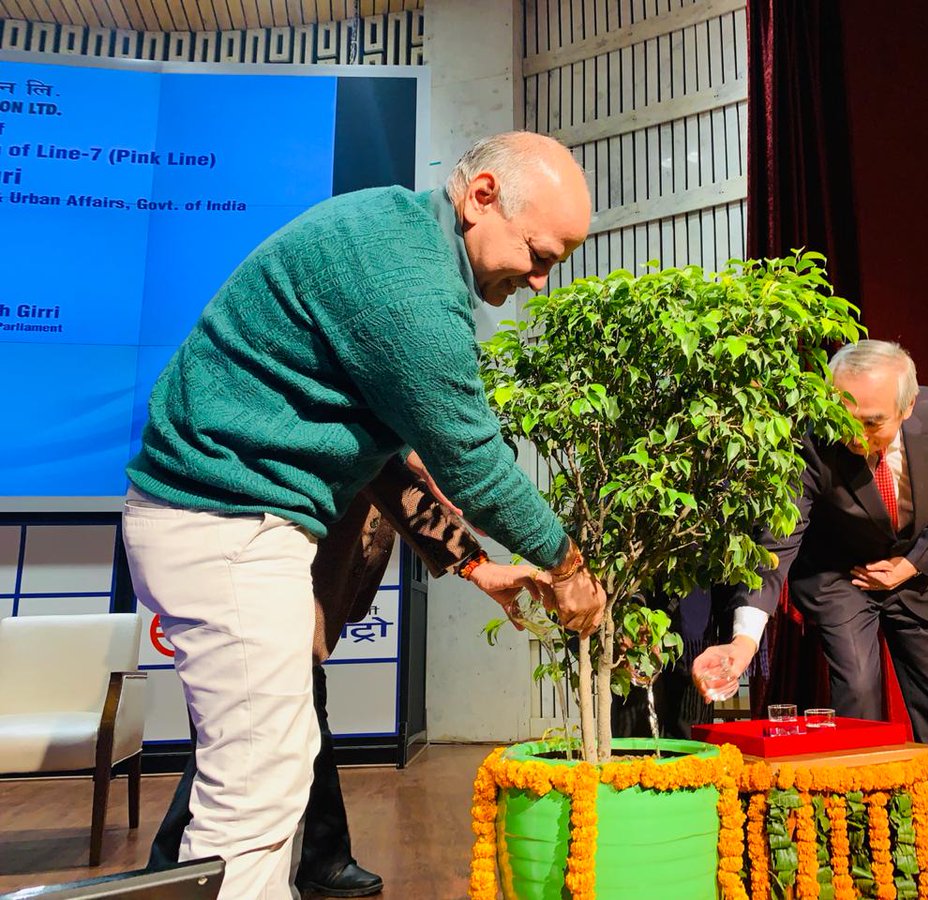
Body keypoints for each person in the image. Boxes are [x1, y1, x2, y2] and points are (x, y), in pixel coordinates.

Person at [122, 131, 606, 898]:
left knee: (269, 774)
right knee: (254, 791)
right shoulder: (410, 287)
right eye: (540, 255)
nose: (543, 281)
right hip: (229, 524)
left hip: (227, 521)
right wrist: (567, 563)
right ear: (482, 197)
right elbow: (472, 463)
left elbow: (386, 459)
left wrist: (474, 564)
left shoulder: (394, 230)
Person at [148, 457, 545, 898]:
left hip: (290, 588)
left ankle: (320, 857)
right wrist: (512, 556)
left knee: (276, 731)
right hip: (250, 562)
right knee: (249, 744)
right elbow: (393, 471)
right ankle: (170, 872)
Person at [693, 340, 928, 773]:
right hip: (839, 576)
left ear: (909, 406)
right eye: (843, 419)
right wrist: (744, 640)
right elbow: (778, 539)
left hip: (914, 575)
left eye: (871, 423)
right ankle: (865, 816)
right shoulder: (808, 438)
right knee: (859, 688)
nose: (854, 436)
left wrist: (912, 563)